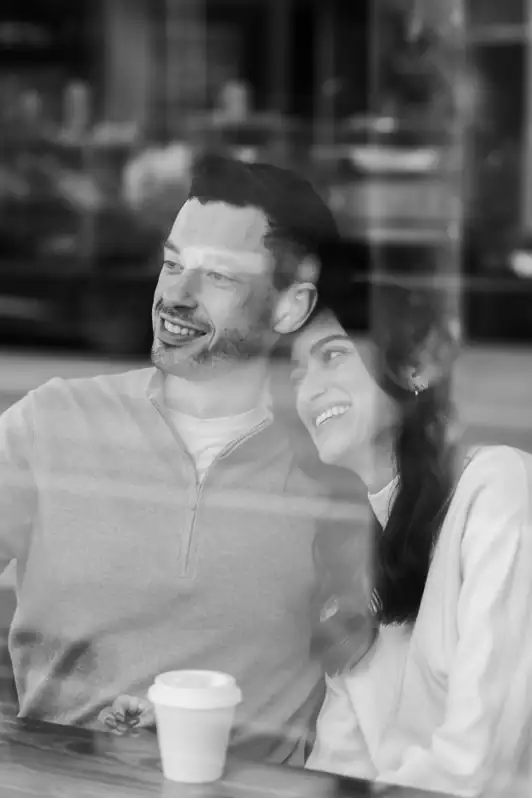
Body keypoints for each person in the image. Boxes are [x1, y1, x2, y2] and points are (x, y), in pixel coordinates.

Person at [0, 153, 342, 765]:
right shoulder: (52, 423)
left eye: (218, 277)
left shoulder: (332, 466)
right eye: (172, 263)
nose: (175, 296)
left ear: (290, 307)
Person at [291, 274, 532, 796]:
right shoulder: (349, 554)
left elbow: (477, 763)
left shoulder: (496, 489)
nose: (308, 390)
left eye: (333, 355)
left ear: (414, 367)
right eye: (296, 374)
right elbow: (339, 762)